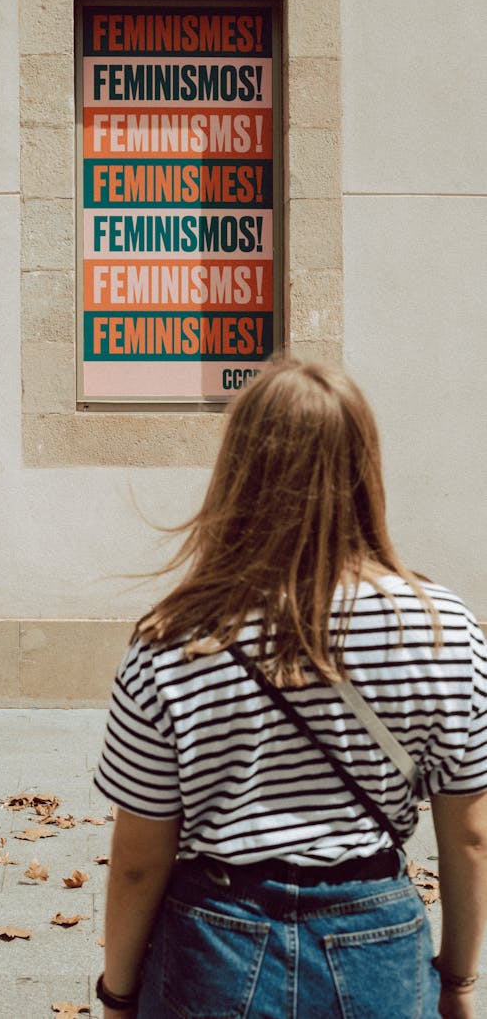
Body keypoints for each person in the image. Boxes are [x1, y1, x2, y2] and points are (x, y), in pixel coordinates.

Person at [93, 359, 487, 1019]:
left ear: (238, 472)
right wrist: (461, 982)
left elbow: (139, 855)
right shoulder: (444, 628)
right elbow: (471, 833)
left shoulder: (175, 637)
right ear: (365, 469)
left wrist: (118, 993)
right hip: (377, 943)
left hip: (214, 943)